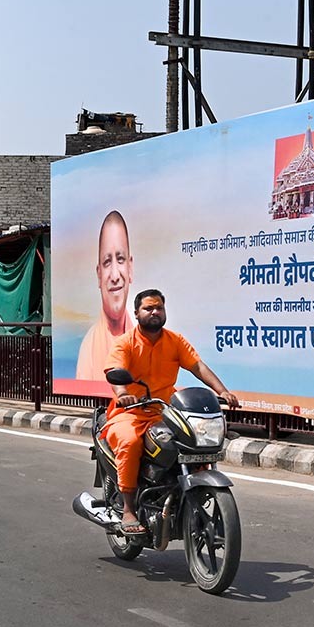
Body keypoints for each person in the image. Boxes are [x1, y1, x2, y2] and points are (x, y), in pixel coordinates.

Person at [103, 289, 240, 534]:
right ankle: (128, 508)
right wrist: (123, 394)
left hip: (164, 411)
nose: (155, 312)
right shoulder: (126, 343)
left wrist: (223, 391)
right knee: (130, 442)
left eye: (159, 308)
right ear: (136, 314)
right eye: (148, 308)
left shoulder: (174, 340)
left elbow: (197, 366)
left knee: (192, 441)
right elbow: (114, 370)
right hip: (130, 412)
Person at [76, 210, 134, 379]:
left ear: (130, 269)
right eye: (107, 262)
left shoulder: (144, 339)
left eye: (120, 259)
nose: (115, 276)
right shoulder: (89, 348)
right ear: (99, 274)